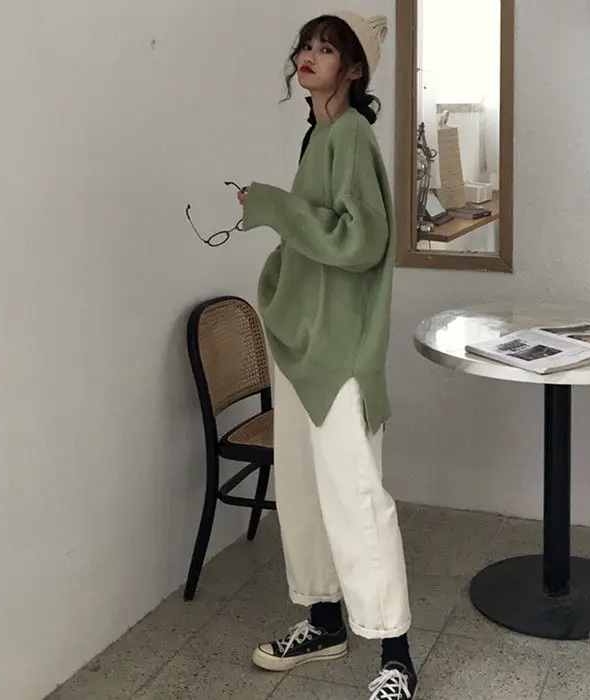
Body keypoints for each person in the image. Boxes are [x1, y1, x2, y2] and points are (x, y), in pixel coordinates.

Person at [237, 12, 416, 699]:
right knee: (305, 490)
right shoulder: (318, 135)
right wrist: (278, 280)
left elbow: (361, 241)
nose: (309, 55)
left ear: (354, 68)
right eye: (305, 45)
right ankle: (324, 621)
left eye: (327, 48)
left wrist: (276, 208)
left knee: (357, 497)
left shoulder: (351, 135)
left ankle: (395, 656)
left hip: (339, 352)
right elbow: (312, 241)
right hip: (302, 345)